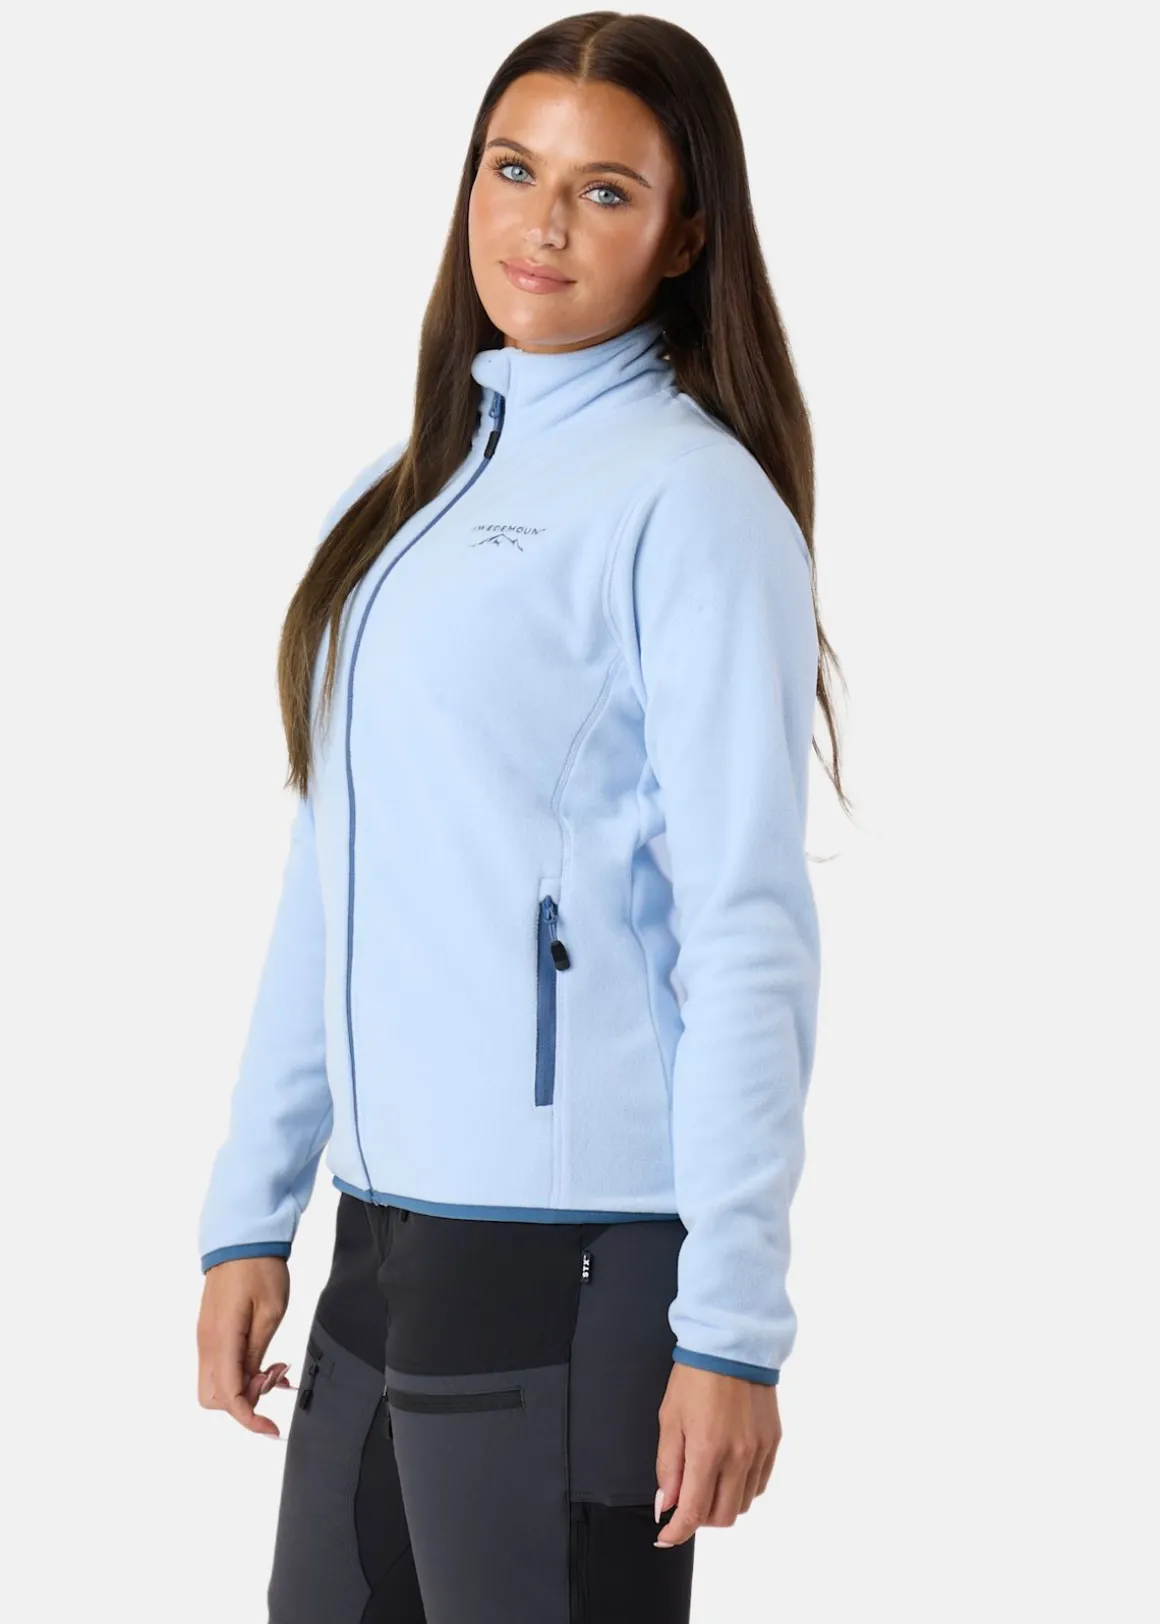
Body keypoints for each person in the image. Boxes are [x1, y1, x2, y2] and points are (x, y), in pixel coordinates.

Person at [195, 12, 847, 1622]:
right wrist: (249, 1211)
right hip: (381, 1250)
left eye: (604, 190)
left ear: (686, 233)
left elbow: (748, 931)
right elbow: (330, 872)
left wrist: (731, 1329)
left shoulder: (693, 502)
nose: (541, 224)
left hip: (577, 1260)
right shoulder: (402, 495)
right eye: (512, 169)